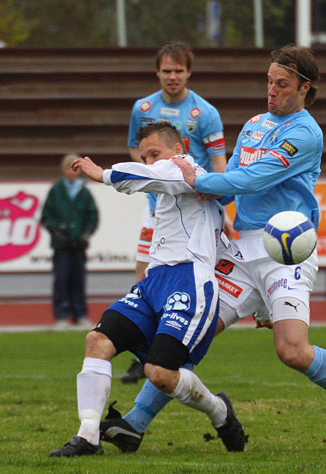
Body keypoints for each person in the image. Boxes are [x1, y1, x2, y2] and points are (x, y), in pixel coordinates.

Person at [107, 45, 326, 453]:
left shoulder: (305, 133)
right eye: (269, 81)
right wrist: (212, 207)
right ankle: (134, 423)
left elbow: (252, 180)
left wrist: (196, 182)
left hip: (285, 249)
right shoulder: (254, 124)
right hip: (239, 249)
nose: (271, 91)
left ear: (305, 88)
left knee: (291, 351)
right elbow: (232, 174)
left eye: (282, 84)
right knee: (190, 334)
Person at [49, 122, 245, 457]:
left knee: (160, 374)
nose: (150, 161)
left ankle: (220, 412)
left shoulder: (187, 170)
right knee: (97, 340)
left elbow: (161, 175)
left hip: (188, 282)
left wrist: (104, 174)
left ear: (179, 148)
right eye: (144, 156)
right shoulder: (177, 190)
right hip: (154, 282)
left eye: (154, 153)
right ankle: (87, 435)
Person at [122, 41, 228, 384]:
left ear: (189, 73)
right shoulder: (143, 107)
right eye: (166, 70)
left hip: (193, 212)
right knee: (143, 279)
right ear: (157, 72)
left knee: (191, 276)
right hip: (155, 210)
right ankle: (144, 353)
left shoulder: (205, 113)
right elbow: (135, 150)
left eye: (178, 71)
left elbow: (217, 164)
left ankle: (174, 344)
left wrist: (221, 203)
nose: (172, 77)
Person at [41, 153, 98, 328]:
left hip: (78, 245)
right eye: (68, 169)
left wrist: (86, 234)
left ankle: (80, 314)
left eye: (74, 169)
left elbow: (92, 216)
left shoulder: (84, 192)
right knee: (61, 279)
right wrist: (56, 231)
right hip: (61, 245)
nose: (71, 173)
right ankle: (61, 315)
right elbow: (47, 215)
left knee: (78, 280)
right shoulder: (56, 190)